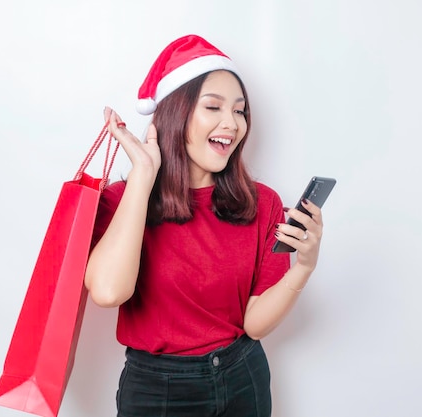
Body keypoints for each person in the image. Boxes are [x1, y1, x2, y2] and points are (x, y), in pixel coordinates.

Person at [84, 34, 325, 417]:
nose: (232, 124)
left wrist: (306, 266)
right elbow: (109, 292)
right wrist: (143, 176)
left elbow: (256, 323)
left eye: (240, 111)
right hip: (156, 390)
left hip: (242, 375)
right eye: (213, 107)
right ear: (176, 113)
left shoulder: (263, 204)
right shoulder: (123, 201)